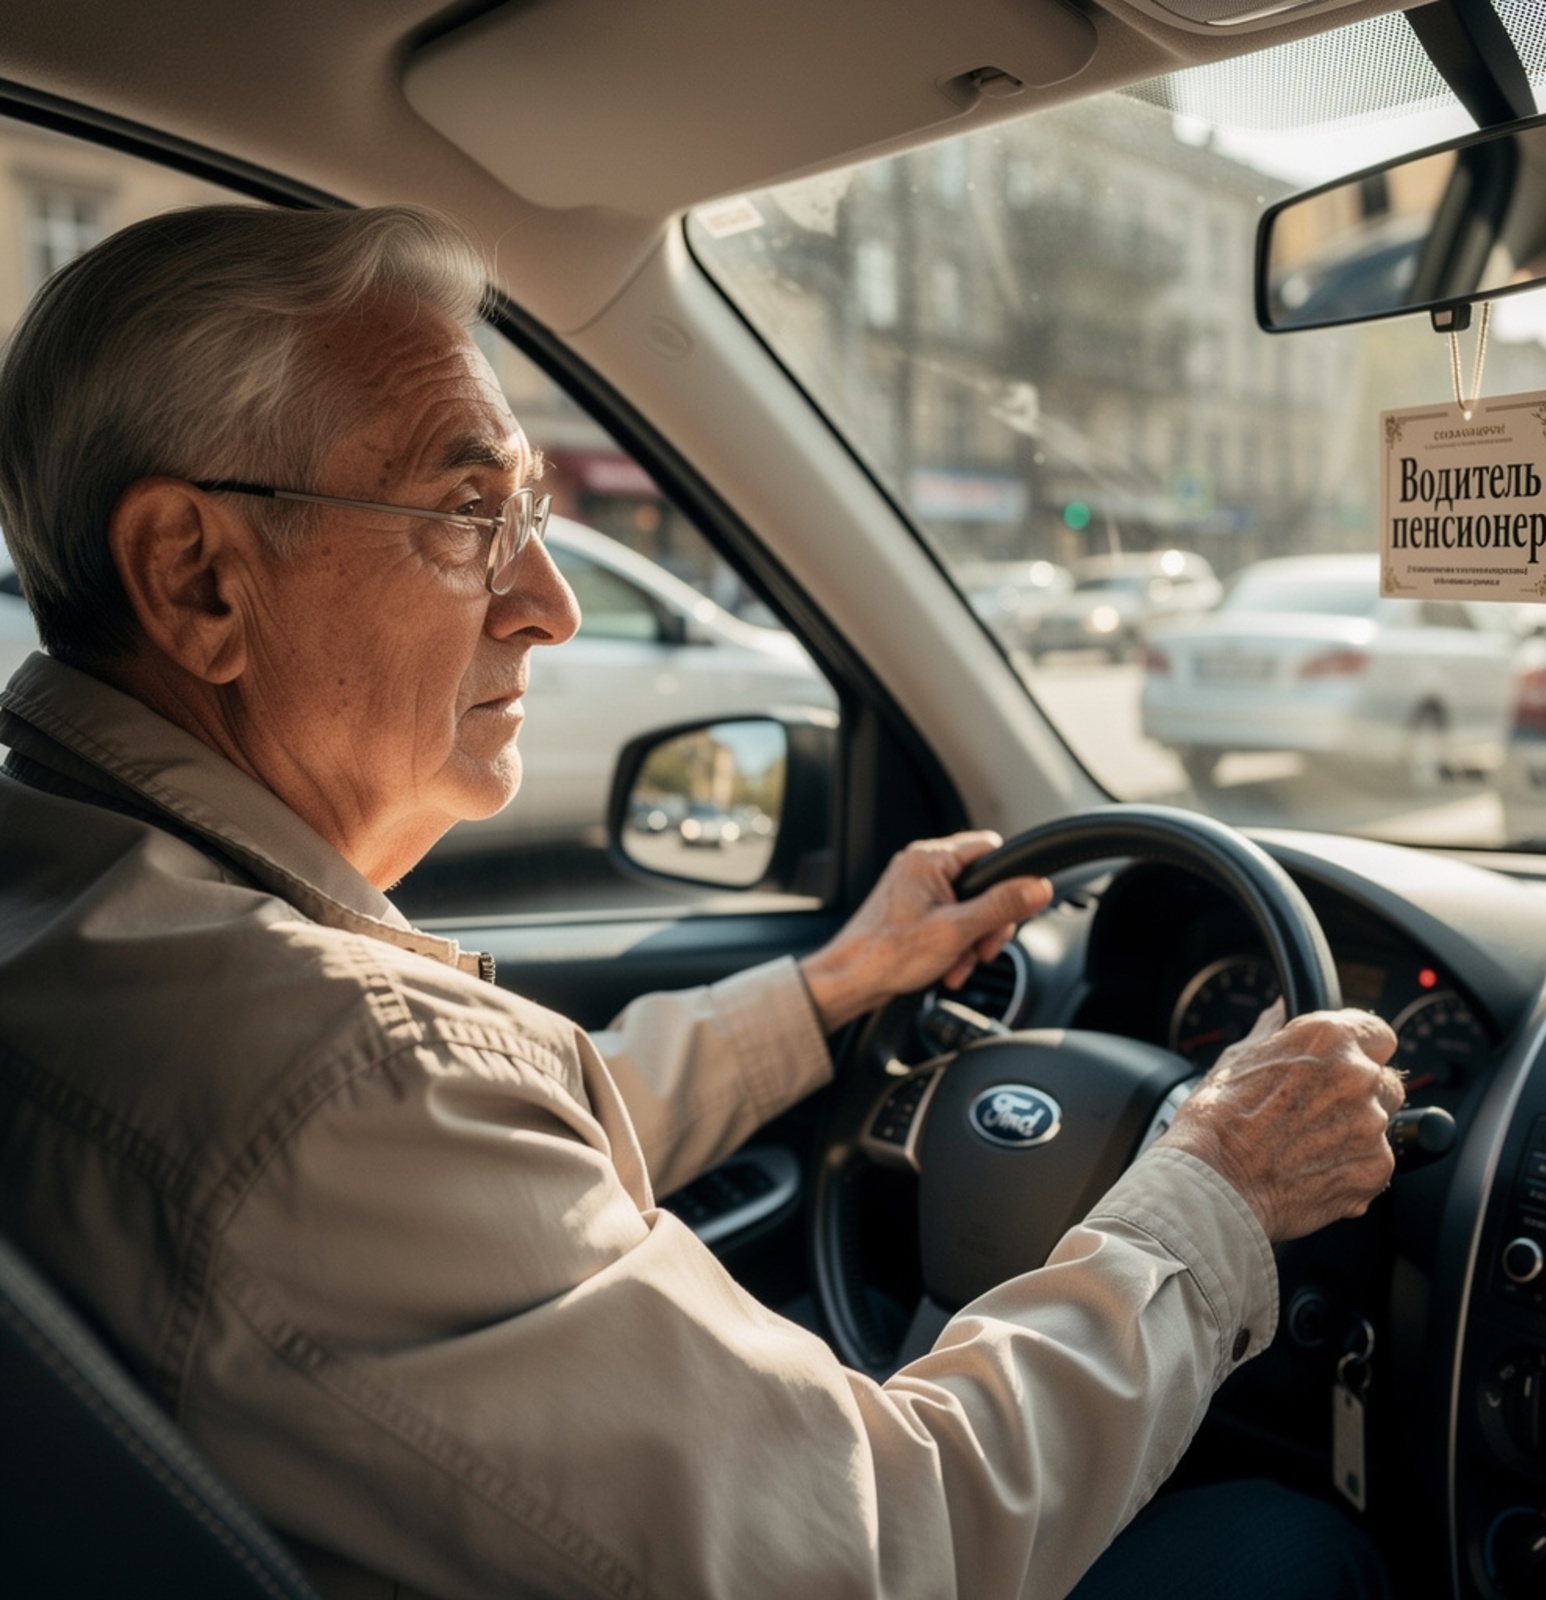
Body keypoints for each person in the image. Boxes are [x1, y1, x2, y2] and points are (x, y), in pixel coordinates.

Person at [0, 204, 1403, 1600]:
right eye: (466, 515)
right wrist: (1210, 1192)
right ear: (196, 578)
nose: (548, 600)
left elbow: (488, 1150)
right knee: (1299, 1552)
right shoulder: (334, 1084)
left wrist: (829, 988)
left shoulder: (103, 919)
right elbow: (888, 1544)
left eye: (531, 516)